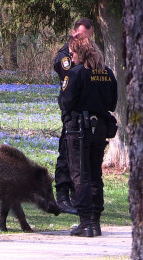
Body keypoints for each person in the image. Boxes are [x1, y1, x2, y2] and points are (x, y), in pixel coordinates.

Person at [59, 34, 117, 237]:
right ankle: (95, 221)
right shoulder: (107, 73)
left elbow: (66, 102)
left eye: (73, 53)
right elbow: (112, 103)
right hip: (100, 129)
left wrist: (68, 118)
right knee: (95, 175)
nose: (71, 57)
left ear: (80, 53)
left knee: (80, 175)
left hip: (79, 130)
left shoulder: (75, 74)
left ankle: (85, 223)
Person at [53, 18, 94, 215]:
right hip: (72, 111)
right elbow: (71, 75)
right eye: (82, 37)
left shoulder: (91, 53)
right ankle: (62, 195)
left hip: (86, 111)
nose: (86, 41)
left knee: (83, 158)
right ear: (74, 33)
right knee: (66, 152)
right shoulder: (65, 55)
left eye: (89, 37)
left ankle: (79, 195)